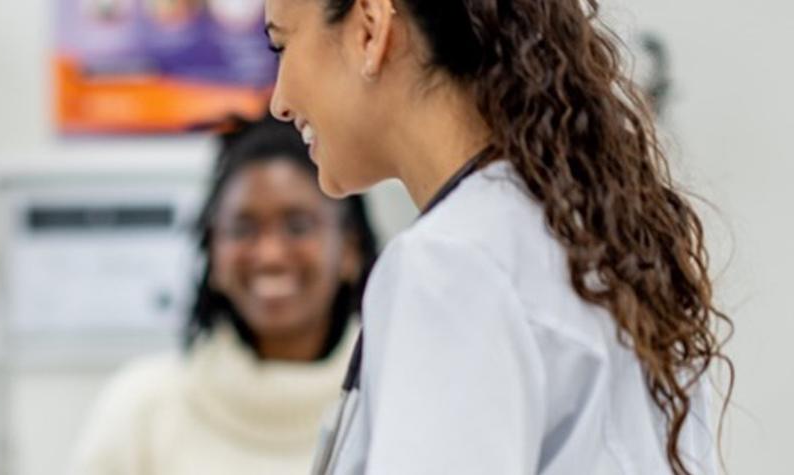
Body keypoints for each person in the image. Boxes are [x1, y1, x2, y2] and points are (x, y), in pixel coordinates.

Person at [261, 0, 732, 473]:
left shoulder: (453, 265)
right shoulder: (611, 246)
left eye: (282, 44)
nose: (277, 101)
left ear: (370, 28)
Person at [70, 115, 379, 475]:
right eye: (243, 229)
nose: (269, 254)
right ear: (213, 254)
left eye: (297, 226)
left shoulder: (391, 408)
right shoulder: (140, 411)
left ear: (349, 251)